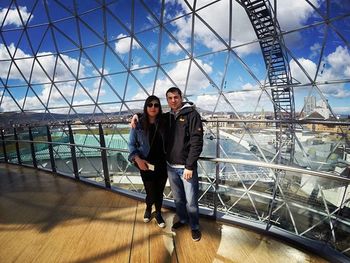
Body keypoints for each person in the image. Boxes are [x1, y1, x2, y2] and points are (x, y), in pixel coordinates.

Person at [164, 87, 204, 242]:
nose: (173, 100)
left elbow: (197, 142)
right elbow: (149, 117)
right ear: (167, 100)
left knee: (191, 201)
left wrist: (189, 166)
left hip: (186, 168)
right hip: (170, 166)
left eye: (176, 97)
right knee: (178, 199)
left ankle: (194, 227)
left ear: (181, 97)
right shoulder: (167, 117)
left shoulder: (192, 115)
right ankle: (183, 220)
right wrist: (135, 116)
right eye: (170, 98)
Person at [128, 95, 167, 228]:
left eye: (156, 105)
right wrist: (137, 159)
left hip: (162, 164)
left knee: (159, 192)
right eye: (150, 105)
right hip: (145, 164)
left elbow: (177, 112)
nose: (153, 107)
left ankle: (158, 213)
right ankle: (148, 208)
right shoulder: (138, 124)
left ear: (159, 107)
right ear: (146, 106)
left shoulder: (164, 121)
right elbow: (131, 144)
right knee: (150, 192)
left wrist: (136, 114)